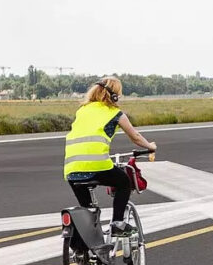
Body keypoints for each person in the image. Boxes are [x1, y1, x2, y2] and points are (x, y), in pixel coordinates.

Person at [65, 76, 157, 241]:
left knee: (87, 211)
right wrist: (150, 146)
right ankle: (117, 223)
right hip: (97, 165)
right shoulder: (115, 113)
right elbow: (135, 137)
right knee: (123, 182)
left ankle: (85, 257)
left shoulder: (82, 110)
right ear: (114, 96)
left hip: (71, 169)